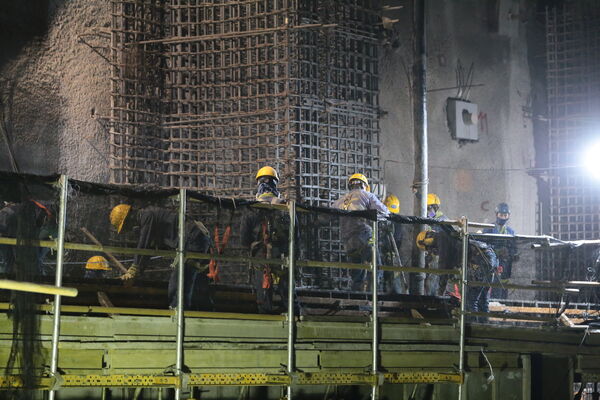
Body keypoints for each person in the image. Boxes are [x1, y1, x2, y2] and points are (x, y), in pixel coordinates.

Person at [109, 203, 212, 310]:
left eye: (126, 226)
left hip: (193, 239)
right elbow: (147, 250)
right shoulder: (150, 215)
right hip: (197, 238)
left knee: (178, 284)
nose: (129, 229)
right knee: (192, 283)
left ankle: (178, 316)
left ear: (128, 218)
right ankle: (200, 312)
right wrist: (139, 270)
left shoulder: (147, 216)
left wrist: (134, 269)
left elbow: (144, 245)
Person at [241, 166, 294, 314]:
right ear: (275, 183)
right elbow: (296, 235)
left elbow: (244, 240)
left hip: (260, 255)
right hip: (282, 255)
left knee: (264, 293)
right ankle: (292, 314)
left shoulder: (251, 208)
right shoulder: (285, 206)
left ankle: (266, 316)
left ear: (258, 184)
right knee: (287, 290)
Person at [416, 229, 498, 313]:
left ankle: (471, 325)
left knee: (470, 301)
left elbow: (444, 265)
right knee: (482, 301)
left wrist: (441, 288)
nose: (433, 252)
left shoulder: (441, 239)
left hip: (478, 262)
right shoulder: (449, 236)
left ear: (428, 241)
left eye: (429, 249)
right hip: (489, 258)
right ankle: (483, 324)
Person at [332, 173, 388, 291]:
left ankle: (357, 297)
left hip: (348, 242)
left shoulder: (341, 200)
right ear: (364, 185)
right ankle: (374, 297)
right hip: (363, 237)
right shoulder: (367, 195)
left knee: (357, 274)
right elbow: (385, 212)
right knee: (375, 268)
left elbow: (326, 215)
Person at [0, 200, 56, 275]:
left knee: (9, 262)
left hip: (12, 235)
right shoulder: (39, 209)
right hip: (17, 235)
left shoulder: (8, 211)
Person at [482, 202, 517, 299]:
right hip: (491, 262)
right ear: (496, 214)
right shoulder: (489, 229)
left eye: (505, 215)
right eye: (501, 215)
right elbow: (483, 245)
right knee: (491, 284)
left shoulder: (511, 232)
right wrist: (496, 251)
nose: (503, 217)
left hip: (505, 264)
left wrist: (509, 253)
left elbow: (514, 249)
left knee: (503, 285)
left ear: (508, 216)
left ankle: (503, 304)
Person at [380, 194, 408, 294]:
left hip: (390, 255)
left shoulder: (393, 223)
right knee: (389, 281)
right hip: (390, 255)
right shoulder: (398, 221)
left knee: (390, 281)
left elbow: (397, 240)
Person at [424, 193, 450, 295]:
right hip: (428, 255)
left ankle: (433, 302)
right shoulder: (428, 219)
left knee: (433, 282)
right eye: (426, 208)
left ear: (435, 207)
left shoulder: (443, 220)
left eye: (429, 208)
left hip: (438, 257)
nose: (427, 211)